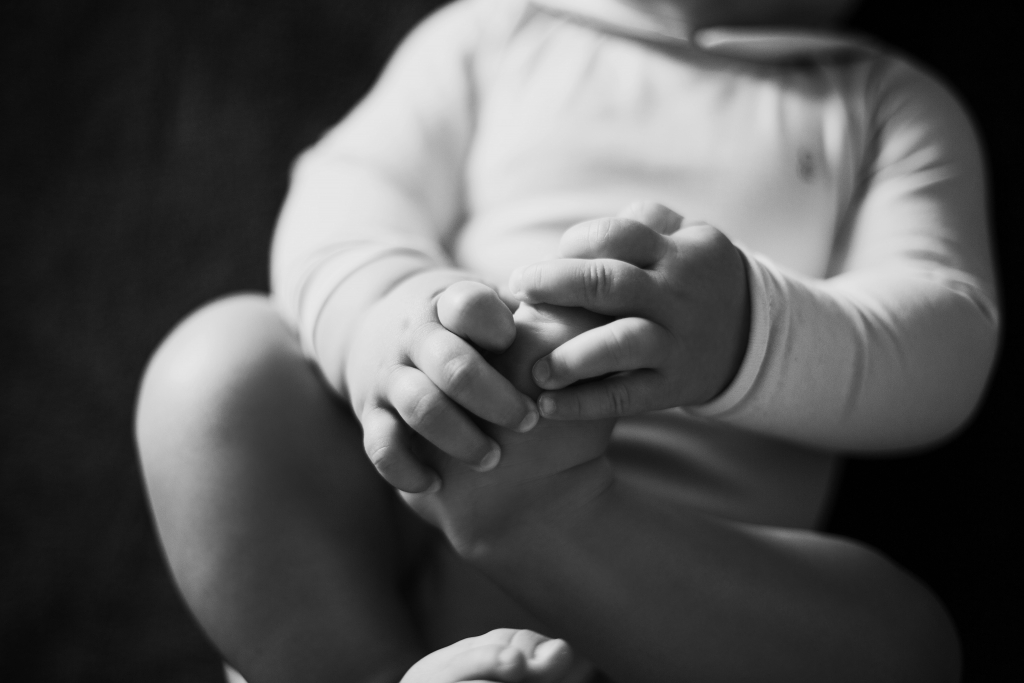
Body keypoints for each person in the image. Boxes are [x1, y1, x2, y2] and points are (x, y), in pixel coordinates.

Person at [134, 0, 1000, 680]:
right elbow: (345, 196)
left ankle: (543, 514)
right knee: (217, 364)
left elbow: (946, 334)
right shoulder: (494, 32)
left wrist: (751, 334)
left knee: (910, 642)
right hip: (402, 515)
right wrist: (391, 329)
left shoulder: (889, 104)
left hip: (668, 587)